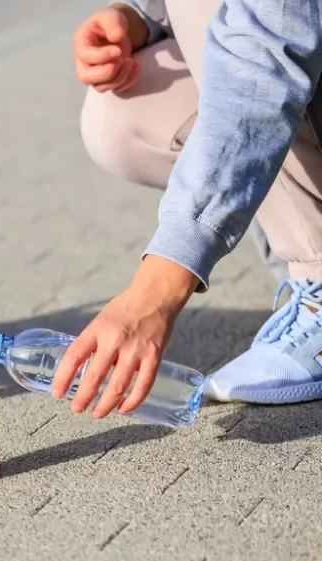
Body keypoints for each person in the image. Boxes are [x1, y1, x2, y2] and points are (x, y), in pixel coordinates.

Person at [52, 0, 322, 417]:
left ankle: (316, 275)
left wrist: (156, 290)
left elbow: (264, 62)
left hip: (273, 47)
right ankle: (297, 240)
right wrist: (138, 19)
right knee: (120, 115)